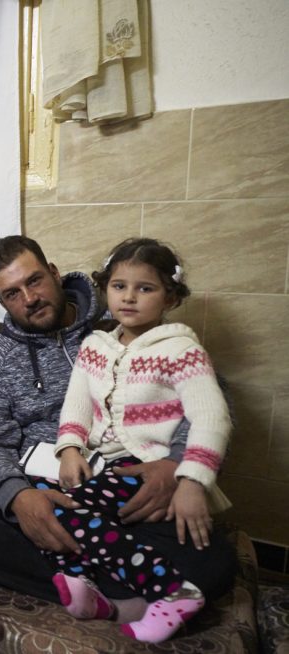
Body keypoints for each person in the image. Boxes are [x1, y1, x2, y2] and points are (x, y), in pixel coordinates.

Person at [0, 236, 236, 621]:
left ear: (55, 273)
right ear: (1, 302)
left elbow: (213, 401)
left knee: (213, 564)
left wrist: (174, 466)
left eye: (34, 281)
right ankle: (110, 587)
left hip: (123, 486)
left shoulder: (120, 325)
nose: (28, 298)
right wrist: (18, 498)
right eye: (12, 293)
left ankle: (92, 576)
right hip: (38, 484)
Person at [41, 238, 231, 643]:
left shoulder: (182, 350)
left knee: (66, 510)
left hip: (146, 470)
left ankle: (171, 591)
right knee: (41, 499)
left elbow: (212, 417)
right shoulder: (93, 346)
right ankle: (89, 587)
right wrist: (70, 448)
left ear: (170, 297)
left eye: (145, 288)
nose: (128, 297)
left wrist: (193, 482)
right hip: (99, 465)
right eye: (118, 286)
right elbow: (76, 406)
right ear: (105, 289)